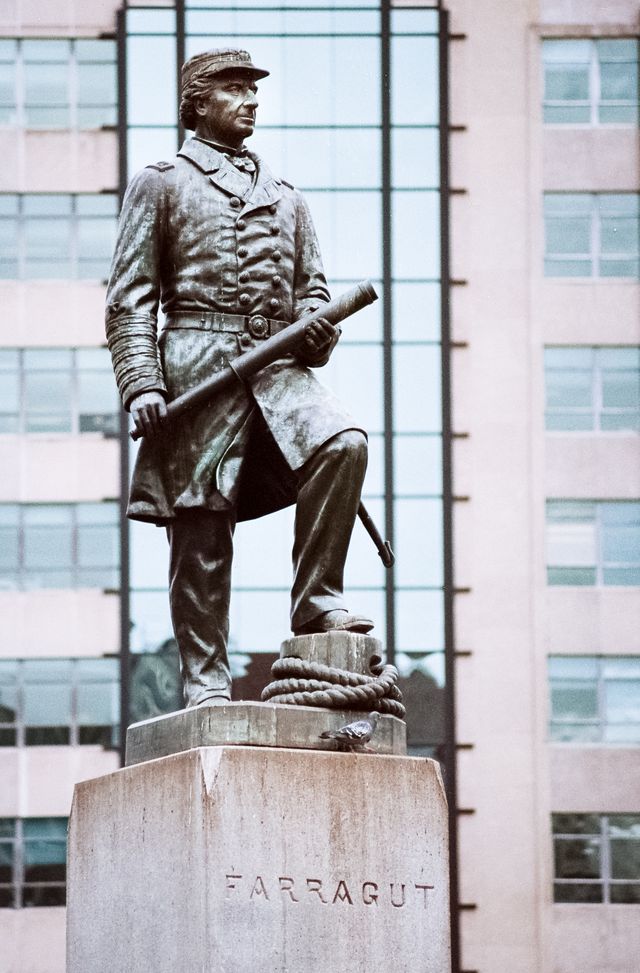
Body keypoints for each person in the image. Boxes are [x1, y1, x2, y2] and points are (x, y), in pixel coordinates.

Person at [106, 48, 373, 708]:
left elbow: (313, 291)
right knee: (201, 522)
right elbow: (130, 297)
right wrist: (142, 382)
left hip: (277, 370)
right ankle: (206, 681)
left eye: (254, 90)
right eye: (234, 89)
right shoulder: (162, 182)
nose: (251, 100)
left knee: (344, 445)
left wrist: (317, 326)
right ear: (197, 103)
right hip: (199, 360)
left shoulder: (288, 198)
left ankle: (317, 603)